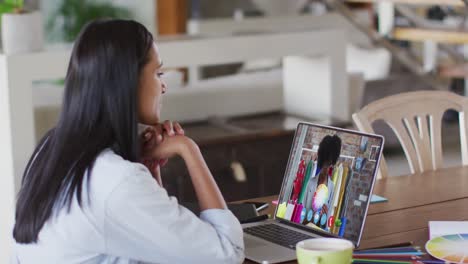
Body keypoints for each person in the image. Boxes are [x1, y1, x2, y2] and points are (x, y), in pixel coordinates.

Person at [12, 19, 244, 264]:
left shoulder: (51, 150)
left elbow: (159, 245)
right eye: (158, 73)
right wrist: (189, 149)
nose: (163, 86)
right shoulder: (116, 179)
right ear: (127, 82)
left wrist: (151, 169)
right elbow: (227, 253)